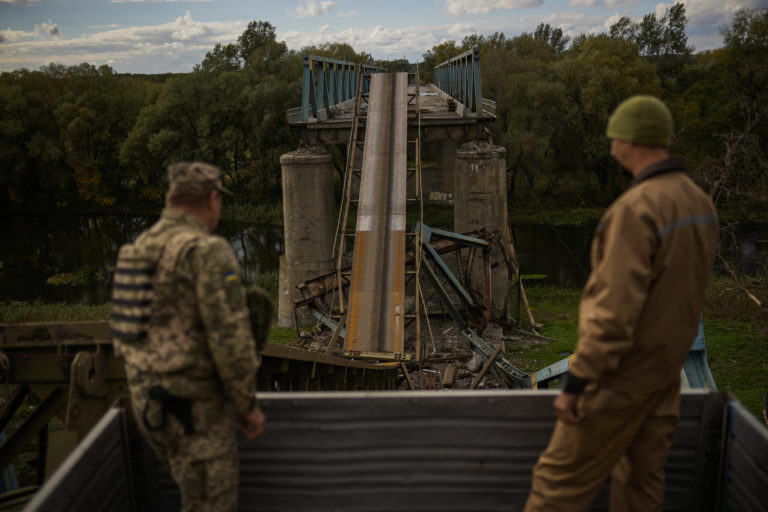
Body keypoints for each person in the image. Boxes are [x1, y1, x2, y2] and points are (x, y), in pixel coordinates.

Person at [524, 95, 719, 512]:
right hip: (664, 381)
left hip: (619, 381)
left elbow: (613, 312)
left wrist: (577, 383)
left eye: (615, 135)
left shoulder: (636, 209)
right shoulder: (699, 203)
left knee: (557, 486)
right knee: (641, 490)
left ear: (631, 140)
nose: (611, 144)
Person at [110, 161, 265, 511]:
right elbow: (230, 339)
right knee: (211, 505)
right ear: (213, 199)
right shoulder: (206, 251)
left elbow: (127, 336)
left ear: (170, 199)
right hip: (193, 410)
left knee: (190, 494)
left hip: (147, 406)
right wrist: (246, 406)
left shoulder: (137, 249)